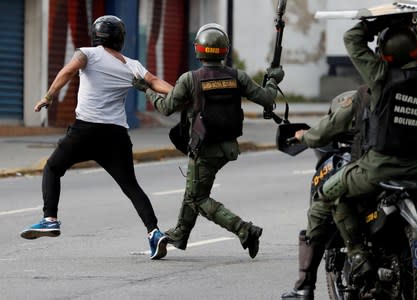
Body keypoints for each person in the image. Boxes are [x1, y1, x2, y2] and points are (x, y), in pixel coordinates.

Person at [314, 17, 417, 283]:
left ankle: (357, 254)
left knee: (329, 192)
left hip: (380, 169)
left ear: (384, 55)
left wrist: (380, 21)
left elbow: (352, 40)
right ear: (416, 51)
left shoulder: (380, 78)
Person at [20, 15, 174, 260]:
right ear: (120, 39)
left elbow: (68, 71)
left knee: (52, 168)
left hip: (86, 131)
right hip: (116, 136)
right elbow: (155, 83)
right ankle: (154, 232)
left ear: (96, 36)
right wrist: (180, 93)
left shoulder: (87, 53)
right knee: (131, 186)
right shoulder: (132, 64)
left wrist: (48, 97)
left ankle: (50, 219)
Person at [133, 23, 284, 259]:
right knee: (194, 188)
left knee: (197, 197)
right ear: (225, 50)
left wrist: (147, 89)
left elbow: (165, 108)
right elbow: (267, 98)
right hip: (228, 147)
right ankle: (181, 234)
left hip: (203, 147)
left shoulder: (190, 79)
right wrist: (273, 79)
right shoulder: (238, 77)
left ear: (198, 49)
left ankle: (245, 230)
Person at [281, 86, 371, 299]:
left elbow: (329, 128)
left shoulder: (368, 93)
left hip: (375, 169)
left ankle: (306, 286)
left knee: (328, 195)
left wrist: (304, 136)